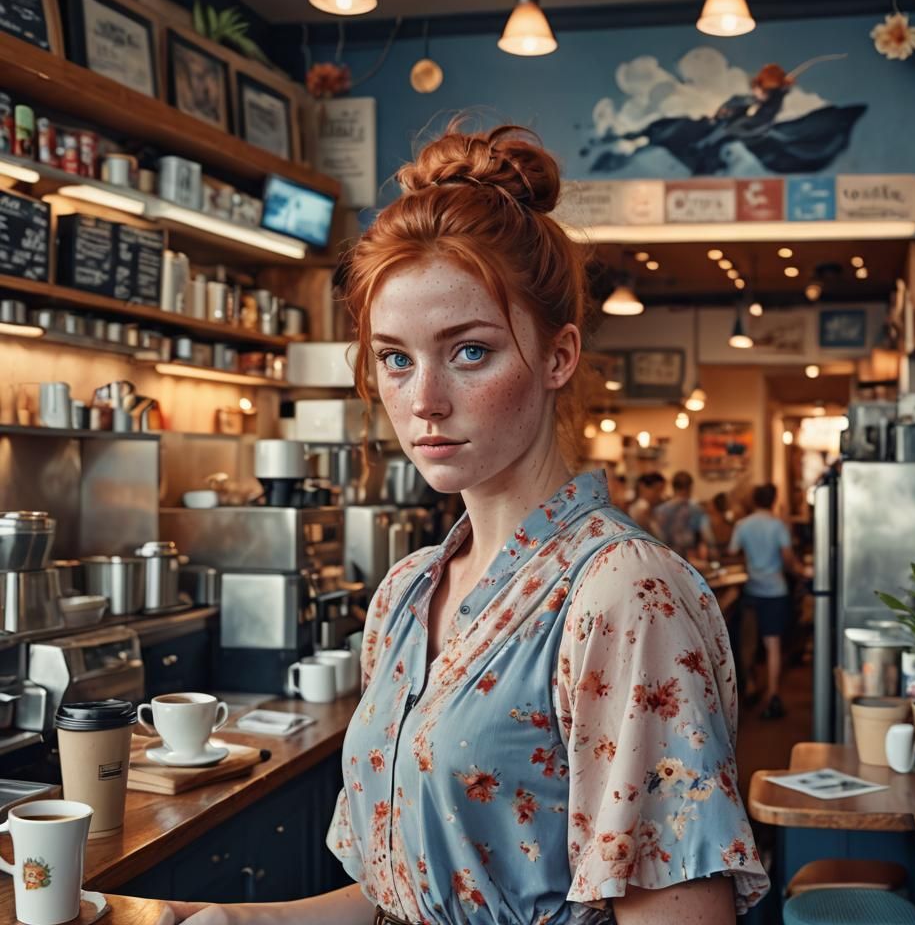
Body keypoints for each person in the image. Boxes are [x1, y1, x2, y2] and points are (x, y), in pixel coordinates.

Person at [158, 123, 767, 925]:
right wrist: (247, 920)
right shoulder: (407, 593)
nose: (423, 401)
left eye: (469, 351)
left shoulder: (622, 594)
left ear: (558, 357)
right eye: (396, 358)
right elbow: (405, 901)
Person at [728, 483, 806, 720]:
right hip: (775, 589)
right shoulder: (778, 526)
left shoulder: (743, 525)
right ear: (774, 500)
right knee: (772, 644)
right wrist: (801, 571)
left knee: (748, 642)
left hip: (752, 589)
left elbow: (732, 552)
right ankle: (772, 692)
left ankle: (750, 683)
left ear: (753, 500)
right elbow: (788, 558)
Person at [653, 471, 715, 561]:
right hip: (691, 556)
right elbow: (707, 535)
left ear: (673, 487)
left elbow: (657, 536)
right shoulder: (696, 509)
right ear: (690, 487)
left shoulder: (660, 511)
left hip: (667, 556)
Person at [627, 471, 665, 535]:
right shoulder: (642, 507)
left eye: (661, 490)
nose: (659, 494)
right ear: (642, 487)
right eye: (656, 490)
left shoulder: (649, 507)